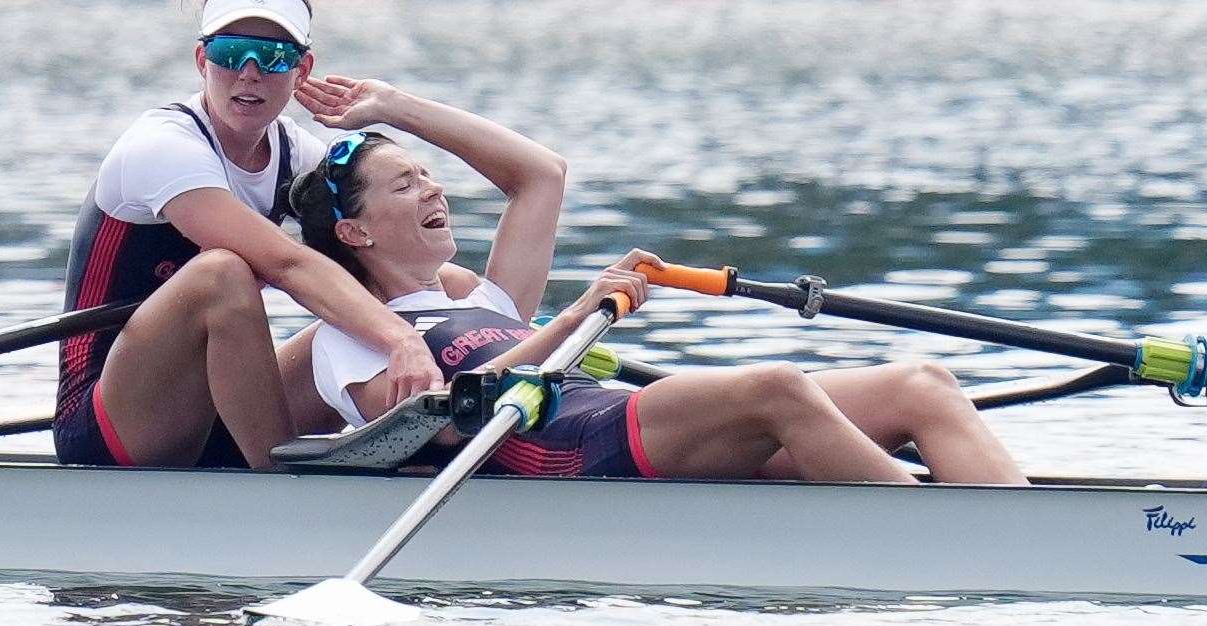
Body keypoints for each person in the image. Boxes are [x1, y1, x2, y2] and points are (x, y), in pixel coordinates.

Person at [288, 74, 1029, 484]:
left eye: (427, 175)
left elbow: (540, 176)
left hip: (622, 416)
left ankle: (1019, 523)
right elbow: (436, 426)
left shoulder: (483, 300)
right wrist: (578, 313)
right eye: (403, 186)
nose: (432, 190)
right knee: (774, 386)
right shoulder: (346, 336)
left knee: (921, 382)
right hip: (568, 448)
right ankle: (942, 528)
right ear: (354, 231)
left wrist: (395, 107)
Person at [54, 0, 440, 470]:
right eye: (231, 52)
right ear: (201, 61)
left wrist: (394, 108)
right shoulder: (161, 147)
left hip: (216, 411)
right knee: (223, 273)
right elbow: (287, 265)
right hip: (110, 421)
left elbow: (386, 243)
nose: (250, 73)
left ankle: (449, 433)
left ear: (302, 69)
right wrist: (399, 338)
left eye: (274, 56)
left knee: (427, 282)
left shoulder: (297, 154)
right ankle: (277, 481)